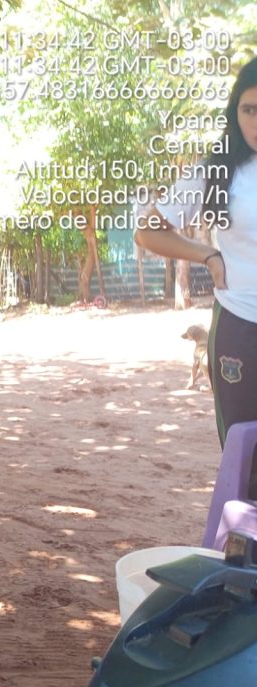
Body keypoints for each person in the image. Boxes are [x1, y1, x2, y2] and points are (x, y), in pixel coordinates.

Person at [136, 57, 257, 497]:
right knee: (245, 458)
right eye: (249, 110)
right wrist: (206, 253)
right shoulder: (217, 171)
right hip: (240, 327)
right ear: (235, 113)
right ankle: (245, 560)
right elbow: (147, 229)